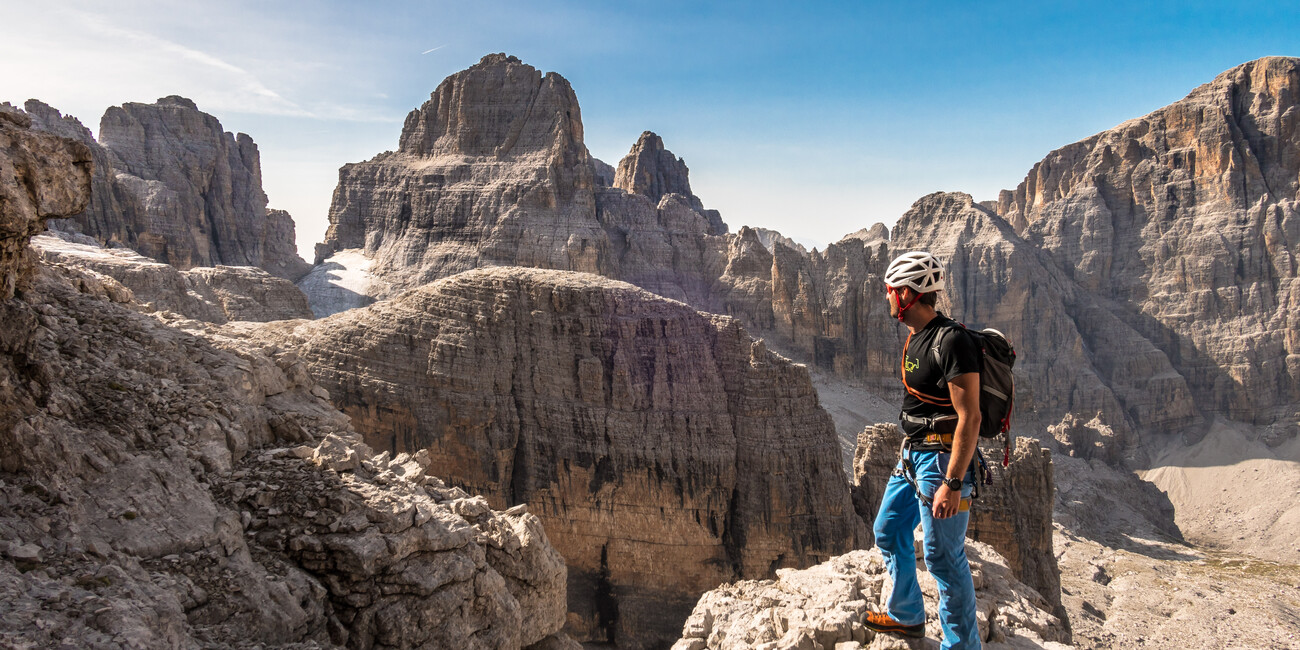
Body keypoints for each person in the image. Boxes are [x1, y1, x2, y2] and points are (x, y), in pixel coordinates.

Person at [863, 251, 982, 649]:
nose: (886, 297)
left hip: (942, 463)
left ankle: (961, 645)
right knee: (888, 529)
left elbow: (971, 417)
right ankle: (908, 615)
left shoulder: (952, 341)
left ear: (907, 294)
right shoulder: (916, 337)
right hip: (913, 457)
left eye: (890, 290)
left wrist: (953, 482)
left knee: (943, 559)